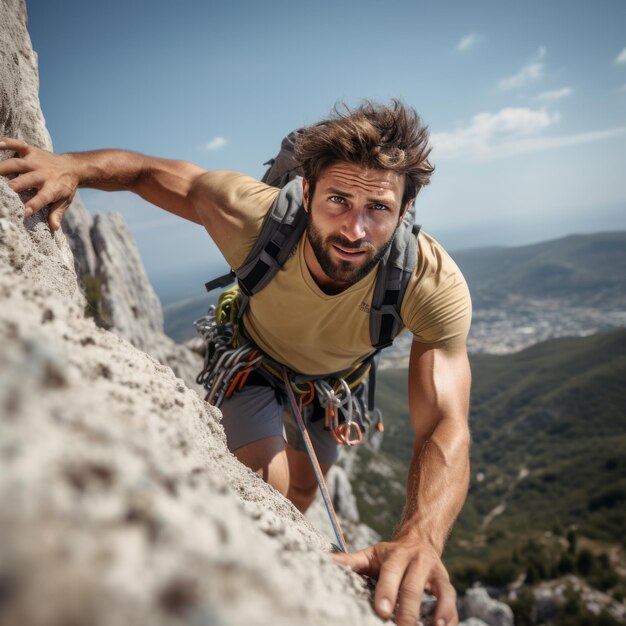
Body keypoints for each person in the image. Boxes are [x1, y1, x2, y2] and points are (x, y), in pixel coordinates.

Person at [0, 100, 471, 626]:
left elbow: (444, 422)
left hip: (334, 389)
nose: (354, 230)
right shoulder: (252, 214)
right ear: (307, 191)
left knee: (299, 493)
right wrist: (72, 166)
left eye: (378, 208)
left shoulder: (429, 284)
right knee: (263, 494)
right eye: (337, 199)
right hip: (251, 360)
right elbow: (151, 172)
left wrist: (420, 537)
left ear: (405, 211)